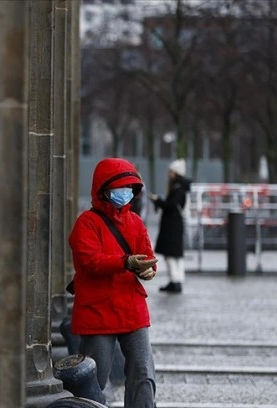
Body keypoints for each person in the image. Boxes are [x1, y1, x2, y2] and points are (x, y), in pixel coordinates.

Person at [69, 157, 158, 407]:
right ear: (104, 190)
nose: (126, 193)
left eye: (130, 188)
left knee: (143, 373)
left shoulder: (135, 222)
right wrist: (126, 262)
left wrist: (148, 271)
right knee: (94, 378)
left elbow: (147, 256)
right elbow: (91, 261)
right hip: (98, 310)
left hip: (131, 307)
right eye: (121, 188)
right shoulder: (86, 223)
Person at [149, 158, 192, 294]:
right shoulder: (182, 189)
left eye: (171, 172)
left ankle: (175, 281)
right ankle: (177, 280)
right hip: (175, 224)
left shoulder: (177, 189)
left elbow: (171, 205)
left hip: (171, 226)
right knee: (176, 255)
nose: (168, 174)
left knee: (171, 254)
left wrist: (158, 201)